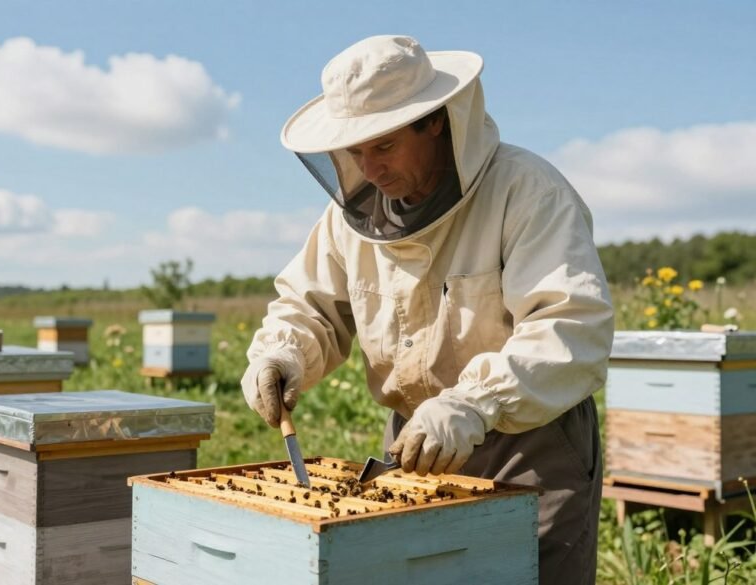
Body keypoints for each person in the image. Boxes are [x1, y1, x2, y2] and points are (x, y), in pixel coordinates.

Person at [241, 35, 614, 584]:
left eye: (384, 146)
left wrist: (473, 403)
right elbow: (311, 303)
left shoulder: (528, 192)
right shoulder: (351, 221)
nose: (369, 169)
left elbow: (569, 326)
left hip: (530, 441)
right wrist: (283, 354)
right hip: (414, 440)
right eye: (354, 151)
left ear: (436, 121)